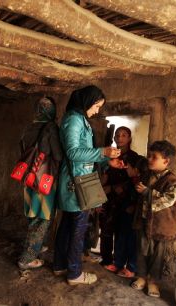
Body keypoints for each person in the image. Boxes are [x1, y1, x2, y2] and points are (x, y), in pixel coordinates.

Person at [53, 85, 124, 285]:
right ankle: (74, 273)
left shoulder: (79, 119)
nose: (97, 110)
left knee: (68, 226)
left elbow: (85, 154)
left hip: (79, 179)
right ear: (86, 101)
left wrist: (106, 161)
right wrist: (103, 152)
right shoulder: (74, 119)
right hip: (76, 182)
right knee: (78, 228)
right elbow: (73, 153)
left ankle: (60, 265)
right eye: (96, 105)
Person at [131, 140, 176, 298]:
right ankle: (141, 277)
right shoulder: (147, 175)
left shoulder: (172, 180)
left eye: (154, 157)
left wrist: (147, 192)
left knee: (158, 254)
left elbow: (169, 200)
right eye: (149, 156)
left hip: (161, 225)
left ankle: (153, 281)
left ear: (166, 161)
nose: (149, 159)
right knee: (141, 250)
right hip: (144, 221)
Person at [17, 97, 63, 270]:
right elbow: (57, 155)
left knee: (32, 213)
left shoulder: (28, 127)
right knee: (42, 218)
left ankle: (39, 245)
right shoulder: (50, 127)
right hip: (45, 180)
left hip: (28, 177)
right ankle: (26, 258)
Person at [100, 127, 138, 271]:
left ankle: (120, 263)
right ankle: (106, 260)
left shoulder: (135, 157)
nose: (120, 138)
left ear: (129, 138)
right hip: (108, 198)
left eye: (124, 135)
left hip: (125, 199)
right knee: (106, 229)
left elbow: (136, 178)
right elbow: (103, 174)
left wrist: (118, 187)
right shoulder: (109, 155)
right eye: (117, 135)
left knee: (122, 232)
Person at [111, 155, 148, 278]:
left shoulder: (142, 183)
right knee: (122, 239)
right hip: (126, 215)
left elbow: (142, 200)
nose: (126, 169)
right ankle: (118, 264)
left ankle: (131, 268)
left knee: (133, 243)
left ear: (136, 170)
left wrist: (134, 207)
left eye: (129, 167)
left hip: (135, 218)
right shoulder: (131, 181)